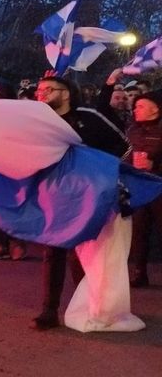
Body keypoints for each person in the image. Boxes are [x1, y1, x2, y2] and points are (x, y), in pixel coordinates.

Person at [31, 76, 128, 330]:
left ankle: (88, 306)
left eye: (48, 90)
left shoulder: (89, 116)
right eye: (38, 90)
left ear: (65, 94)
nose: (41, 94)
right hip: (52, 197)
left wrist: (101, 170)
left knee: (83, 254)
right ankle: (49, 311)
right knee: (52, 253)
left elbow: (124, 144)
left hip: (87, 197)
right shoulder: (36, 120)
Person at [126, 91, 162, 287]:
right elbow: (125, 153)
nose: (135, 109)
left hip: (159, 186)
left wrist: (154, 164)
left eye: (141, 106)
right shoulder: (132, 130)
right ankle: (140, 272)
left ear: (155, 109)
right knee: (140, 230)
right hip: (139, 186)